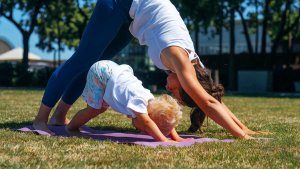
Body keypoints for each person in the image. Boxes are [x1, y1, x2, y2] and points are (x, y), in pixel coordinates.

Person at [33, 0, 269, 139]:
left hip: (131, 19)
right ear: (186, 82)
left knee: (95, 61)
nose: (172, 95)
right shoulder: (179, 58)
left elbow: (213, 98)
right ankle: (41, 119)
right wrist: (242, 137)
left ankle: (59, 116)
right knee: (83, 58)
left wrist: (244, 127)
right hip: (120, 3)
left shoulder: (196, 64)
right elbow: (207, 104)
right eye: (178, 94)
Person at [63, 60, 186, 142]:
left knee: (100, 108)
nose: (141, 130)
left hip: (111, 70)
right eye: (143, 130)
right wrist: (164, 141)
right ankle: (71, 128)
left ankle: (72, 126)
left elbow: (164, 118)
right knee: (94, 109)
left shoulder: (152, 102)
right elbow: (148, 123)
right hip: (101, 73)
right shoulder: (139, 103)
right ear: (148, 117)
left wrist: (176, 137)